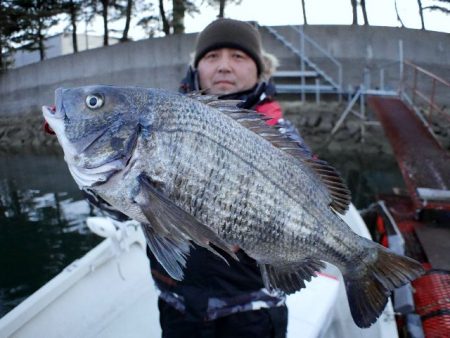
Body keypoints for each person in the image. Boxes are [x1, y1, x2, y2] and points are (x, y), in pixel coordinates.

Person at [148, 18, 293, 338]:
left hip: (255, 312)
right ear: (196, 67)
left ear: (260, 69)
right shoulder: (161, 123)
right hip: (179, 305)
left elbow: (308, 197)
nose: (224, 66)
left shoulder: (280, 135)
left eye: (238, 57)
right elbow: (124, 203)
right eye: (212, 57)